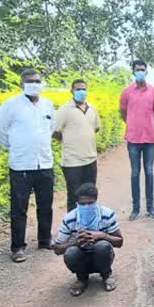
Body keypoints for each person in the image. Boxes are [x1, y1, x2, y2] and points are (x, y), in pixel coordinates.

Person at [0, 69, 55, 263]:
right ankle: (17, 247)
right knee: (19, 209)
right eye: (29, 81)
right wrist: (16, 148)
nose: (34, 84)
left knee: (46, 205)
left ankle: (45, 239)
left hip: (44, 163)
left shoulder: (47, 104)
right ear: (22, 84)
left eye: (37, 81)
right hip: (21, 165)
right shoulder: (11, 105)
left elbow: (51, 129)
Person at [53, 183, 124, 297]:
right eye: (82, 204)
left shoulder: (106, 214)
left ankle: (106, 274)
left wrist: (102, 235)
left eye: (90, 203)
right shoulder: (70, 218)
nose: (86, 207)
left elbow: (120, 242)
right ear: (77, 203)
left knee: (102, 246)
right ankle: (81, 278)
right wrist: (75, 242)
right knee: (71, 252)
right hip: (80, 255)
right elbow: (57, 249)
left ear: (96, 201)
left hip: (101, 254)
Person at [120, 60, 154, 221]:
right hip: (133, 139)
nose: (140, 72)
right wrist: (133, 124)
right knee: (134, 173)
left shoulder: (153, 91)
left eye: (142, 69)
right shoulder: (126, 92)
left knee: (149, 172)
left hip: (149, 138)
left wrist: (147, 123)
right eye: (137, 69)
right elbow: (123, 112)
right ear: (133, 71)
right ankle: (136, 208)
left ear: (146, 71)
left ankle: (150, 207)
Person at [54, 79, 100, 212]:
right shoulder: (64, 110)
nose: (81, 92)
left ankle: (90, 225)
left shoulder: (92, 109)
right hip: (72, 162)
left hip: (90, 159)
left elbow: (95, 128)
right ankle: (73, 227)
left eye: (84, 89)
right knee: (74, 196)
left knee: (90, 195)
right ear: (72, 91)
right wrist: (67, 139)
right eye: (78, 89)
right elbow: (54, 131)